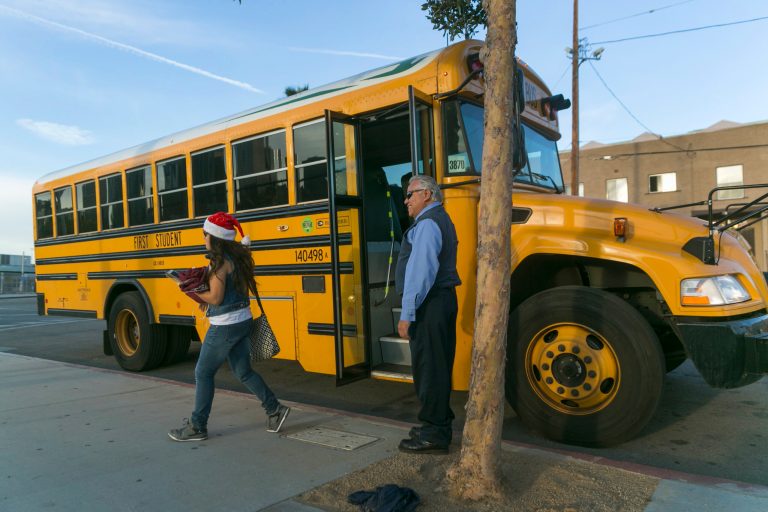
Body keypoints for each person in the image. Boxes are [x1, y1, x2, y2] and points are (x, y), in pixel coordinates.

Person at [169, 212, 290, 442]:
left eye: (205, 234)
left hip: (225, 326)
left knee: (203, 373)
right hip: (242, 320)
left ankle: (197, 426)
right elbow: (227, 295)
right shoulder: (239, 257)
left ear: (214, 237)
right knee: (243, 371)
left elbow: (215, 298)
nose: (203, 238)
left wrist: (187, 289)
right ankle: (275, 409)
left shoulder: (220, 263)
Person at [395, 175, 461, 454]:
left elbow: (420, 273)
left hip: (430, 304)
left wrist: (407, 314)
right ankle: (437, 425)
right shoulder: (439, 220)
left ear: (428, 195)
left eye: (411, 194)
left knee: (429, 370)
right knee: (437, 366)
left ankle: (434, 434)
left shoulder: (428, 224)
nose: (406, 200)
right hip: (441, 301)